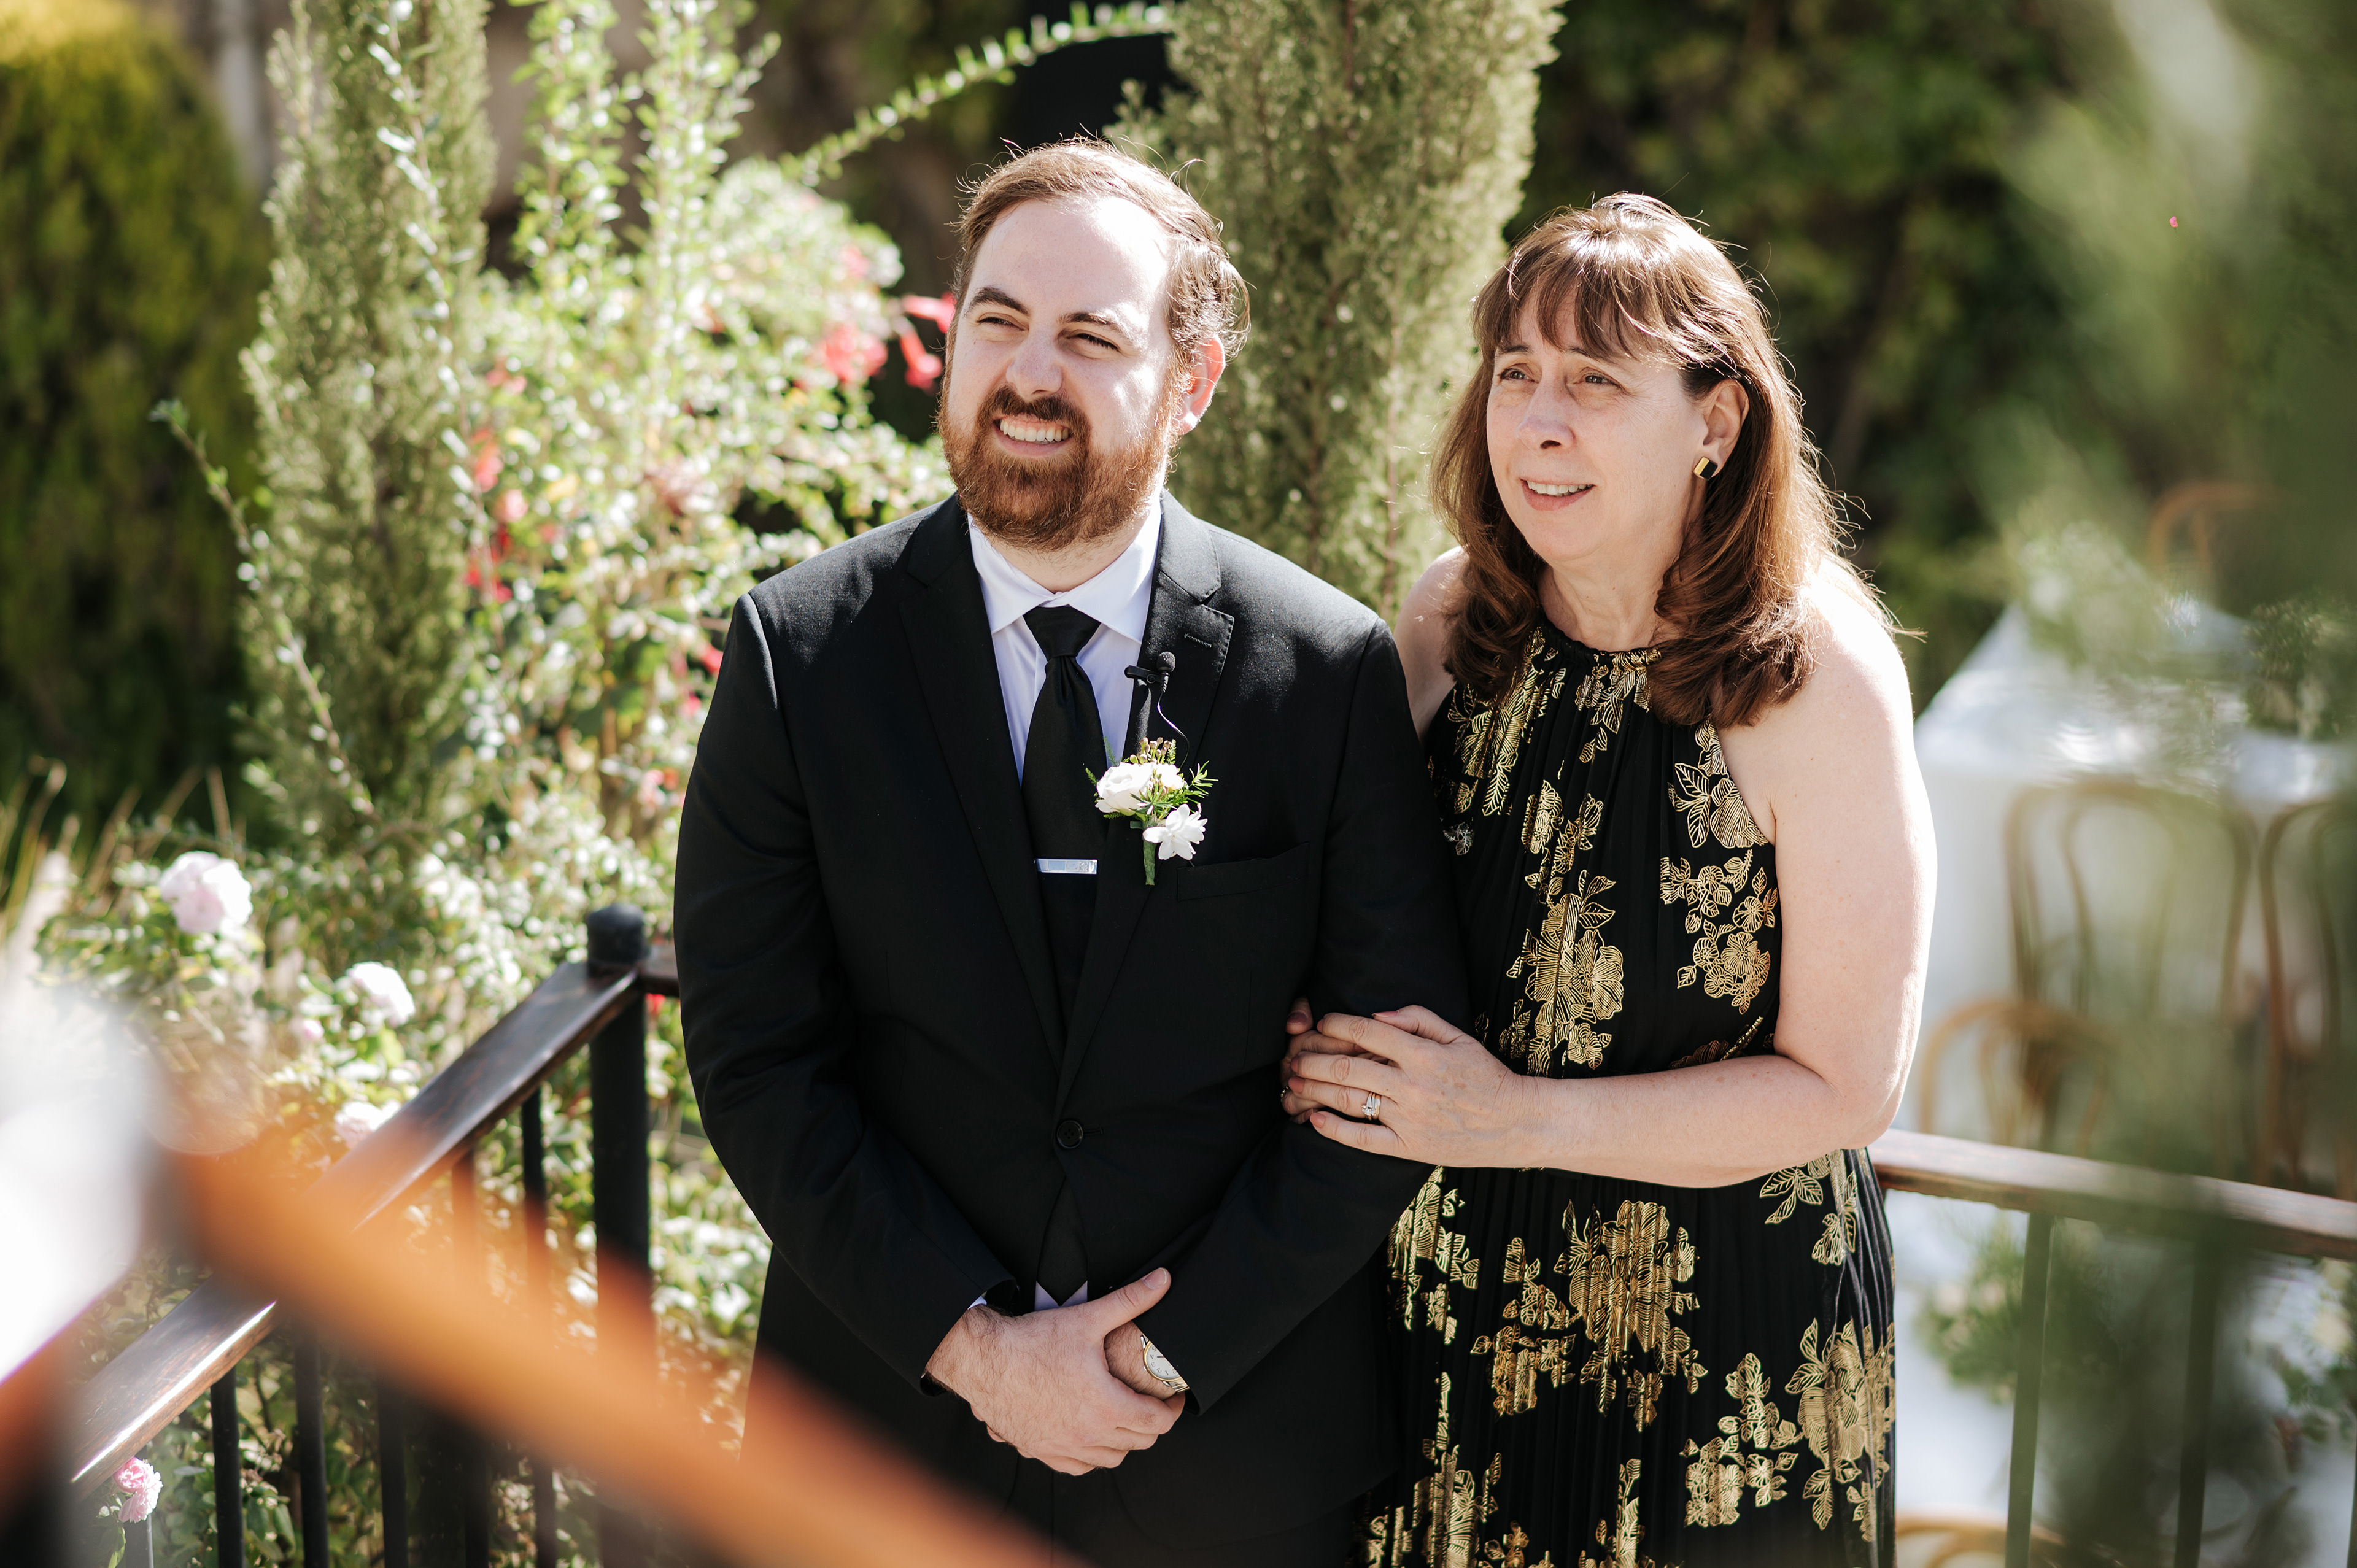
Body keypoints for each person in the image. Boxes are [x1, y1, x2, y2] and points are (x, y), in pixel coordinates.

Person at [674, 139, 1466, 1567]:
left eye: (1090, 338)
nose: (1028, 376)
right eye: (998, 322)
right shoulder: (799, 658)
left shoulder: (1322, 671)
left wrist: (1161, 1358)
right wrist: (977, 1351)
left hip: (1230, 1470)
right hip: (875, 1459)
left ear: (1191, 382)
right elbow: (757, 1064)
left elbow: (1383, 1081)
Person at [1282, 194, 1933, 1566]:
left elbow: (1848, 1089)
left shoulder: (1815, 678)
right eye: (1515, 373)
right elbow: (1358, 928)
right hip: (1451, 1324)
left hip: (1723, 1357)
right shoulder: (1450, 619)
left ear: (1717, 422)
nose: (1538, 422)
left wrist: (1511, 1119)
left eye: (1594, 382)